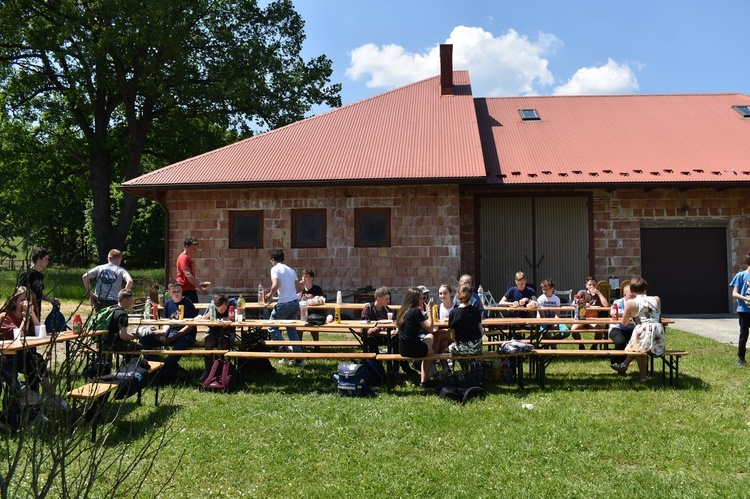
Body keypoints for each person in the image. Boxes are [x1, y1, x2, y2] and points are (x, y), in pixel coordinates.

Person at [0, 287, 54, 407]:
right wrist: (26, 318)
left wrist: (32, 313)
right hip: (7, 357)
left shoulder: (28, 313)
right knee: (30, 360)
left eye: (29, 300)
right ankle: (30, 397)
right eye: (23, 300)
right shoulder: (5, 316)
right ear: (14, 302)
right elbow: (19, 336)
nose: (26, 303)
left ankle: (46, 396)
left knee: (36, 360)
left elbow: (40, 333)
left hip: (20, 356)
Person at [611, 276, 665, 383]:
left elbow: (624, 323)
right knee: (640, 346)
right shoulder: (656, 299)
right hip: (658, 332)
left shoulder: (631, 303)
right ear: (646, 288)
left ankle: (639, 375)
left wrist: (633, 318)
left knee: (639, 347)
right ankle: (626, 366)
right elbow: (656, 315)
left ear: (632, 290)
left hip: (643, 331)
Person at [139, 281, 198, 367]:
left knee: (180, 345)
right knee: (144, 340)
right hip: (170, 332)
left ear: (182, 291)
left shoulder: (188, 303)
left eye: (178, 291)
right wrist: (163, 334)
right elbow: (166, 322)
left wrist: (172, 338)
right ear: (169, 293)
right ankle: (154, 363)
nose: (177, 293)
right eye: (174, 292)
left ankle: (166, 365)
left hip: (185, 334)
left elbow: (189, 327)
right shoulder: (167, 303)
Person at [265, 249, 304, 366]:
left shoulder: (275, 269)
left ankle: (286, 351)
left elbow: (275, 285)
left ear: (273, 259)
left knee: (271, 327)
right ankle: (299, 359)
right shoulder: (290, 270)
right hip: (294, 303)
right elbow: (299, 289)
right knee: (291, 330)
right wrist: (284, 295)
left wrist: (269, 295)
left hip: (284, 304)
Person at [396, 286, 435, 387]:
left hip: (402, 349)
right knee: (431, 351)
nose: (422, 300)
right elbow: (430, 328)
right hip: (412, 348)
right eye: (421, 298)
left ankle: (419, 364)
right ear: (415, 299)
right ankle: (424, 381)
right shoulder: (415, 311)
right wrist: (429, 310)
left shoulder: (403, 310)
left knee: (430, 337)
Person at [198, 294, 235, 382]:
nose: (220, 311)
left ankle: (219, 370)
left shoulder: (232, 304)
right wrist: (211, 311)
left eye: (222, 308)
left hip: (228, 332)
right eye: (218, 309)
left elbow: (236, 317)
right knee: (208, 342)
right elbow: (203, 319)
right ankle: (208, 370)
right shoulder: (212, 305)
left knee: (221, 345)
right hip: (213, 331)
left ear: (226, 304)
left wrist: (225, 319)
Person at [17, 247, 59, 318]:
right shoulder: (27, 274)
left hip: (37, 312)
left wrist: (51, 300)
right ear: (39, 258)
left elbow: (39, 293)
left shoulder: (41, 276)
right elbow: (18, 292)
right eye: (46, 259)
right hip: (26, 313)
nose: (48, 261)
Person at [102, 289, 143, 361]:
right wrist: (132, 336)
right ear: (125, 301)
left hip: (103, 343)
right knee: (138, 347)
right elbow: (123, 336)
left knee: (130, 346)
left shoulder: (111, 310)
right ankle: (130, 367)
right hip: (113, 344)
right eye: (132, 301)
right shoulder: (122, 315)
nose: (133, 304)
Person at [570, 276, 609, 349]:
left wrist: (599, 293)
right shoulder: (582, 292)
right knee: (573, 329)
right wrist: (583, 303)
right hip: (582, 318)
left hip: (593, 318)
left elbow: (606, 305)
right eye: (590, 285)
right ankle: (581, 345)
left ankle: (594, 346)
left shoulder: (598, 295)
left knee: (599, 331)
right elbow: (573, 303)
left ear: (596, 285)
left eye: (594, 285)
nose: (592, 286)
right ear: (586, 285)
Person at [447, 285, 483, 361]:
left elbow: (452, 336)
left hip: (461, 348)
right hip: (477, 348)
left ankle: (451, 370)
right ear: (471, 296)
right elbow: (481, 332)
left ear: (457, 295)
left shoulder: (454, 313)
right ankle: (468, 366)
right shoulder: (476, 311)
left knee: (449, 348)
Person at [730, 253, 750, 367]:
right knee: (744, 335)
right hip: (744, 311)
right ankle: (741, 358)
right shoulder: (741, 275)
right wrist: (747, 298)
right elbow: (734, 293)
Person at [608, 284, 635, 368]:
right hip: (617, 328)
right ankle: (620, 363)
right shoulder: (618, 302)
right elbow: (613, 312)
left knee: (639, 342)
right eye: (631, 296)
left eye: (635, 295)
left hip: (632, 328)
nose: (633, 298)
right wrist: (629, 312)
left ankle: (644, 369)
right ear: (624, 295)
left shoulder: (637, 302)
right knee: (620, 342)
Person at [176, 236, 208, 304]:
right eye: (193, 247)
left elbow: (191, 276)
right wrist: (200, 287)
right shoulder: (183, 258)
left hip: (190, 289)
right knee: (190, 312)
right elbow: (187, 274)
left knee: (194, 311)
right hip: (185, 290)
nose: (195, 249)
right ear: (187, 247)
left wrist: (200, 284)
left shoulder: (188, 257)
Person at [298, 268, 325, 342]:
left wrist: (313, 298)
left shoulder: (317, 289)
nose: (303, 278)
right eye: (302, 276)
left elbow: (321, 300)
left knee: (313, 324)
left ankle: (316, 346)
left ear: (311, 278)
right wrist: (300, 288)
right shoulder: (300, 289)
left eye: (306, 276)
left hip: (314, 313)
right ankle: (299, 346)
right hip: (302, 313)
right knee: (298, 325)